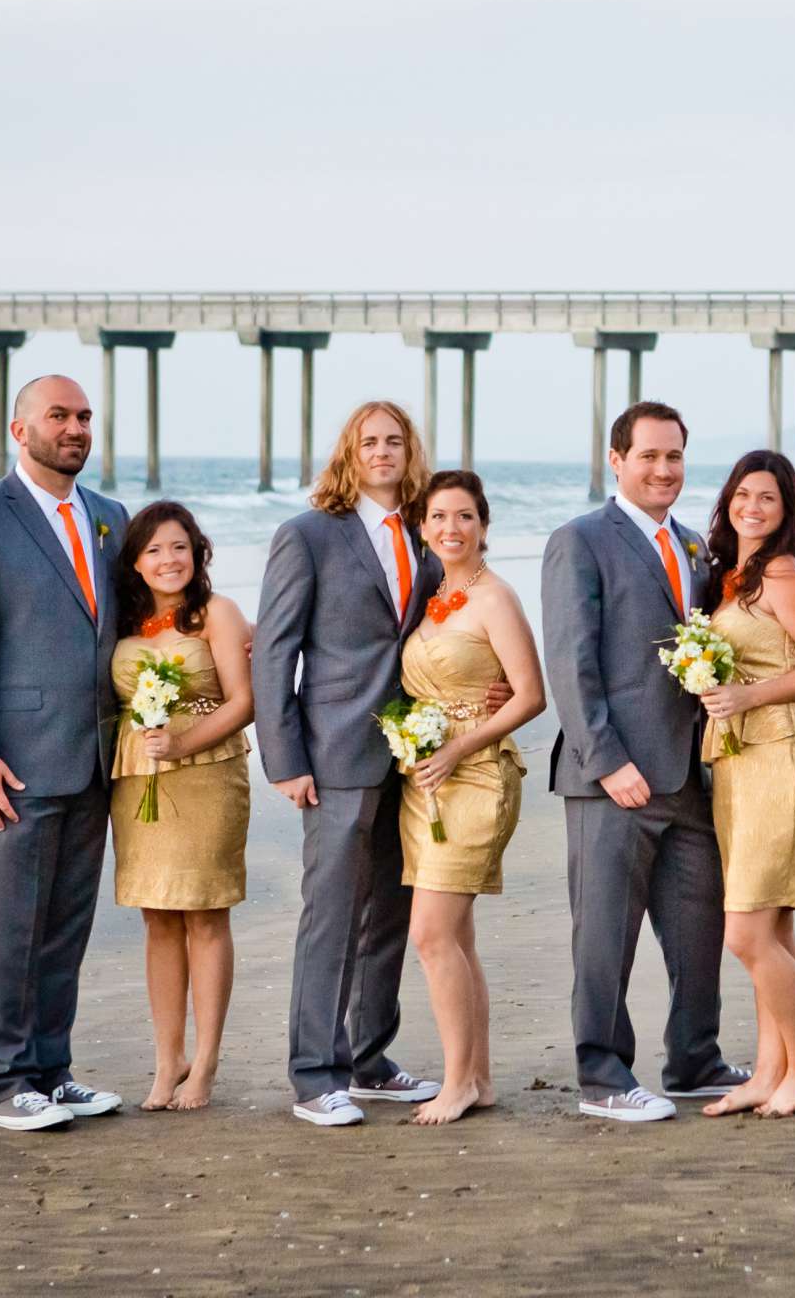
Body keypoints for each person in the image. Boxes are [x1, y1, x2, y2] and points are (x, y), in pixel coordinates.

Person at [0, 374, 126, 1130]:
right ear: (20, 430)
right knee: (6, 929)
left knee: (65, 930)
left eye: (83, 417)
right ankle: (4, 1084)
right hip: (9, 764)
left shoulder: (110, 518)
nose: (74, 428)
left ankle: (52, 1068)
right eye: (57, 416)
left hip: (93, 760)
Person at [541, 401, 749, 1122]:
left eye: (675, 458)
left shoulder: (696, 547)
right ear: (617, 461)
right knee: (604, 935)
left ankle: (695, 1059)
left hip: (692, 774)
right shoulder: (581, 541)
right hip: (614, 778)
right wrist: (607, 761)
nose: (665, 470)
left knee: (701, 928)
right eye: (650, 457)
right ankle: (602, 1076)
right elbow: (572, 664)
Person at [254, 400, 448, 1126]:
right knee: (330, 915)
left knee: (391, 913)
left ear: (410, 450)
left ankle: (369, 1058)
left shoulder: (429, 537)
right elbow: (276, 651)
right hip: (332, 751)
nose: (382, 451)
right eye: (368, 441)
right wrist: (284, 756)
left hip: (414, 754)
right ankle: (315, 1074)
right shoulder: (307, 536)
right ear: (348, 451)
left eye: (394, 440)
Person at [689, 451, 795, 1118]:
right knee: (773, 926)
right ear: (727, 500)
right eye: (744, 494)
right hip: (737, 760)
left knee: (745, 933)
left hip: (780, 754)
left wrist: (750, 694)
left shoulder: (780, 574)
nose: (753, 507)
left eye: (769, 499)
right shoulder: (730, 578)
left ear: (785, 514)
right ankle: (767, 1070)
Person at [398, 470, 547, 1125]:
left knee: (429, 934)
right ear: (423, 528)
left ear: (484, 525)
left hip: (478, 773)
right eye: (438, 517)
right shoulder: (427, 597)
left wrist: (459, 745)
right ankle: (477, 1077)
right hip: (424, 781)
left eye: (464, 516)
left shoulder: (496, 599)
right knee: (455, 936)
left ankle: (455, 1081)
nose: (451, 529)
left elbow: (530, 694)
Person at [107, 501, 254, 1111]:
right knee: (157, 918)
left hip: (208, 775)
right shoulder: (123, 621)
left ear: (197, 554)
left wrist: (183, 742)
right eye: (154, 551)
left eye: (179, 548)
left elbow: (244, 702)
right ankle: (168, 1062)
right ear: (136, 563)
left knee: (204, 914)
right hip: (137, 778)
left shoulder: (217, 614)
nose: (168, 561)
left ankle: (207, 1064)